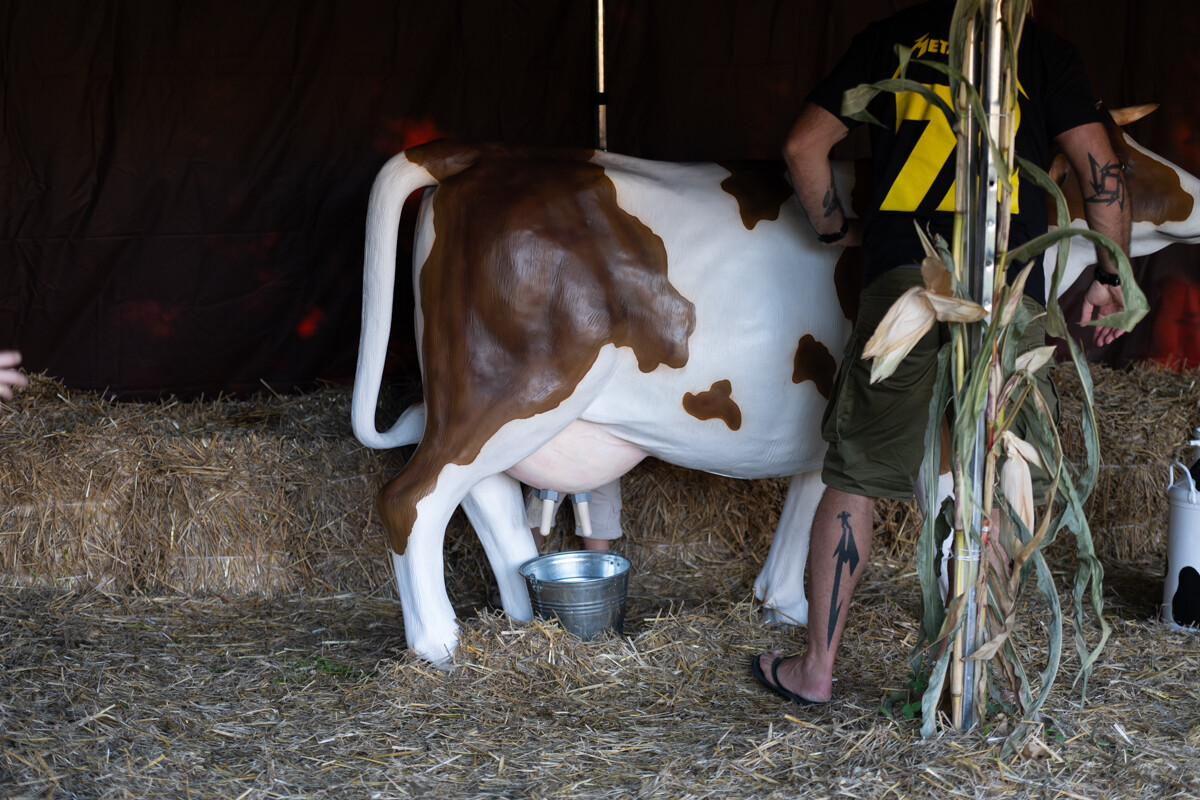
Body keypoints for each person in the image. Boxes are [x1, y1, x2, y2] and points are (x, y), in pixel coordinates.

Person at [751, 0, 1131, 705]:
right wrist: (1112, 278)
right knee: (1003, 468)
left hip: (908, 283)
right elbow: (1100, 171)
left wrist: (836, 230)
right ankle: (981, 674)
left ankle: (817, 670)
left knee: (858, 474)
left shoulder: (887, 39)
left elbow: (804, 145)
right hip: (1010, 287)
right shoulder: (1041, 50)